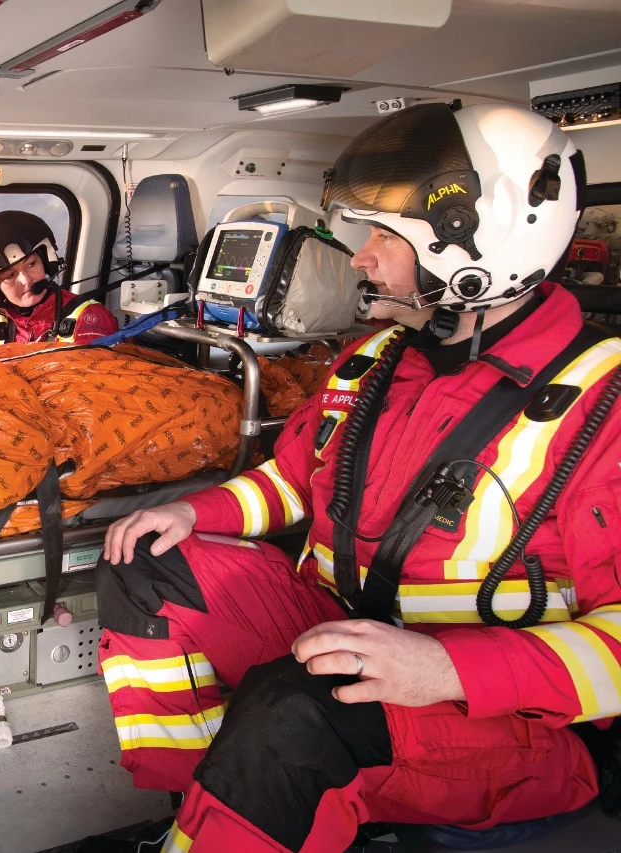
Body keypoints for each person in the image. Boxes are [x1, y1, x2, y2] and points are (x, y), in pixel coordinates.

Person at [92, 102, 621, 852]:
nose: (361, 258)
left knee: (295, 714)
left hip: (510, 720)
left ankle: (250, 795)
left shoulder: (604, 404)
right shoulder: (374, 360)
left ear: (483, 244)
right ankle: (209, 800)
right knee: (140, 562)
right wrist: (194, 514)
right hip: (345, 627)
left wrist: (442, 667)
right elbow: (295, 481)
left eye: (385, 237)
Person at [0, 210, 119, 352]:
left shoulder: (89, 318)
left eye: (31, 264)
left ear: (46, 261)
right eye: (10, 276)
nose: (26, 280)